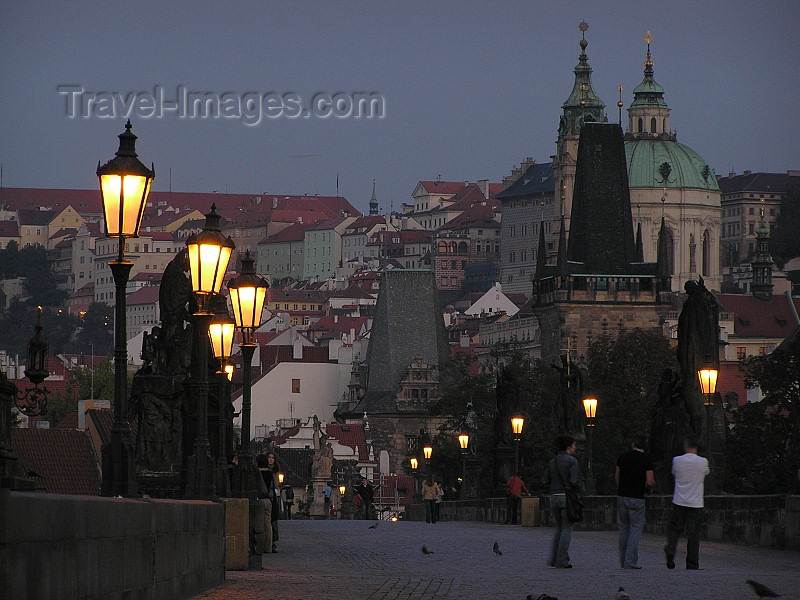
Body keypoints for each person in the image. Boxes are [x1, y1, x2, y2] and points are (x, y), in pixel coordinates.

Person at [664, 434, 709, 570]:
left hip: (679, 500)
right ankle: (692, 563)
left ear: (686, 445)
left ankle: (671, 550)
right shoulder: (703, 462)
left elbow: (674, 474)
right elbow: (706, 473)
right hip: (696, 503)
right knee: (694, 534)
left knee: (675, 529)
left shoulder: (677, 460)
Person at [542, 434, 584, 568]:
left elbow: (544, 480)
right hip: (566, 497)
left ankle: (553, 559)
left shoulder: (552, 461)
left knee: (559, 528)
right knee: (566, 528)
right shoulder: (572, 461)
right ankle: (562, 560)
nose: (575, 448)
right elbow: (574, 481)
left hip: (553, 497)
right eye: (574, 446)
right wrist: (581, 489)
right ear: (568, 447)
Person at [615, 433, 655, 569]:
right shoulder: (646, 460)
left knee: (624, 528)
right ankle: (630, 561)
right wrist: (647, 488)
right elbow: (650, 481)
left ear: (633, 443)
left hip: (622, 496)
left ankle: (623, 560)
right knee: (635, 530)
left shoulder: (622, 457)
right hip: (637, 497)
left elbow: (617, 478)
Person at [257, 452, 281, 553]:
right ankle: (269, 543)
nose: (271, 460)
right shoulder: (265, 471)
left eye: (273, 458)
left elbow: (275, 485)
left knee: (272, 520)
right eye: (269, 458)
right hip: (269, 496)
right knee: (269, 521)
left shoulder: (274, 471)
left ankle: (272, 543)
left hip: (271, 496)